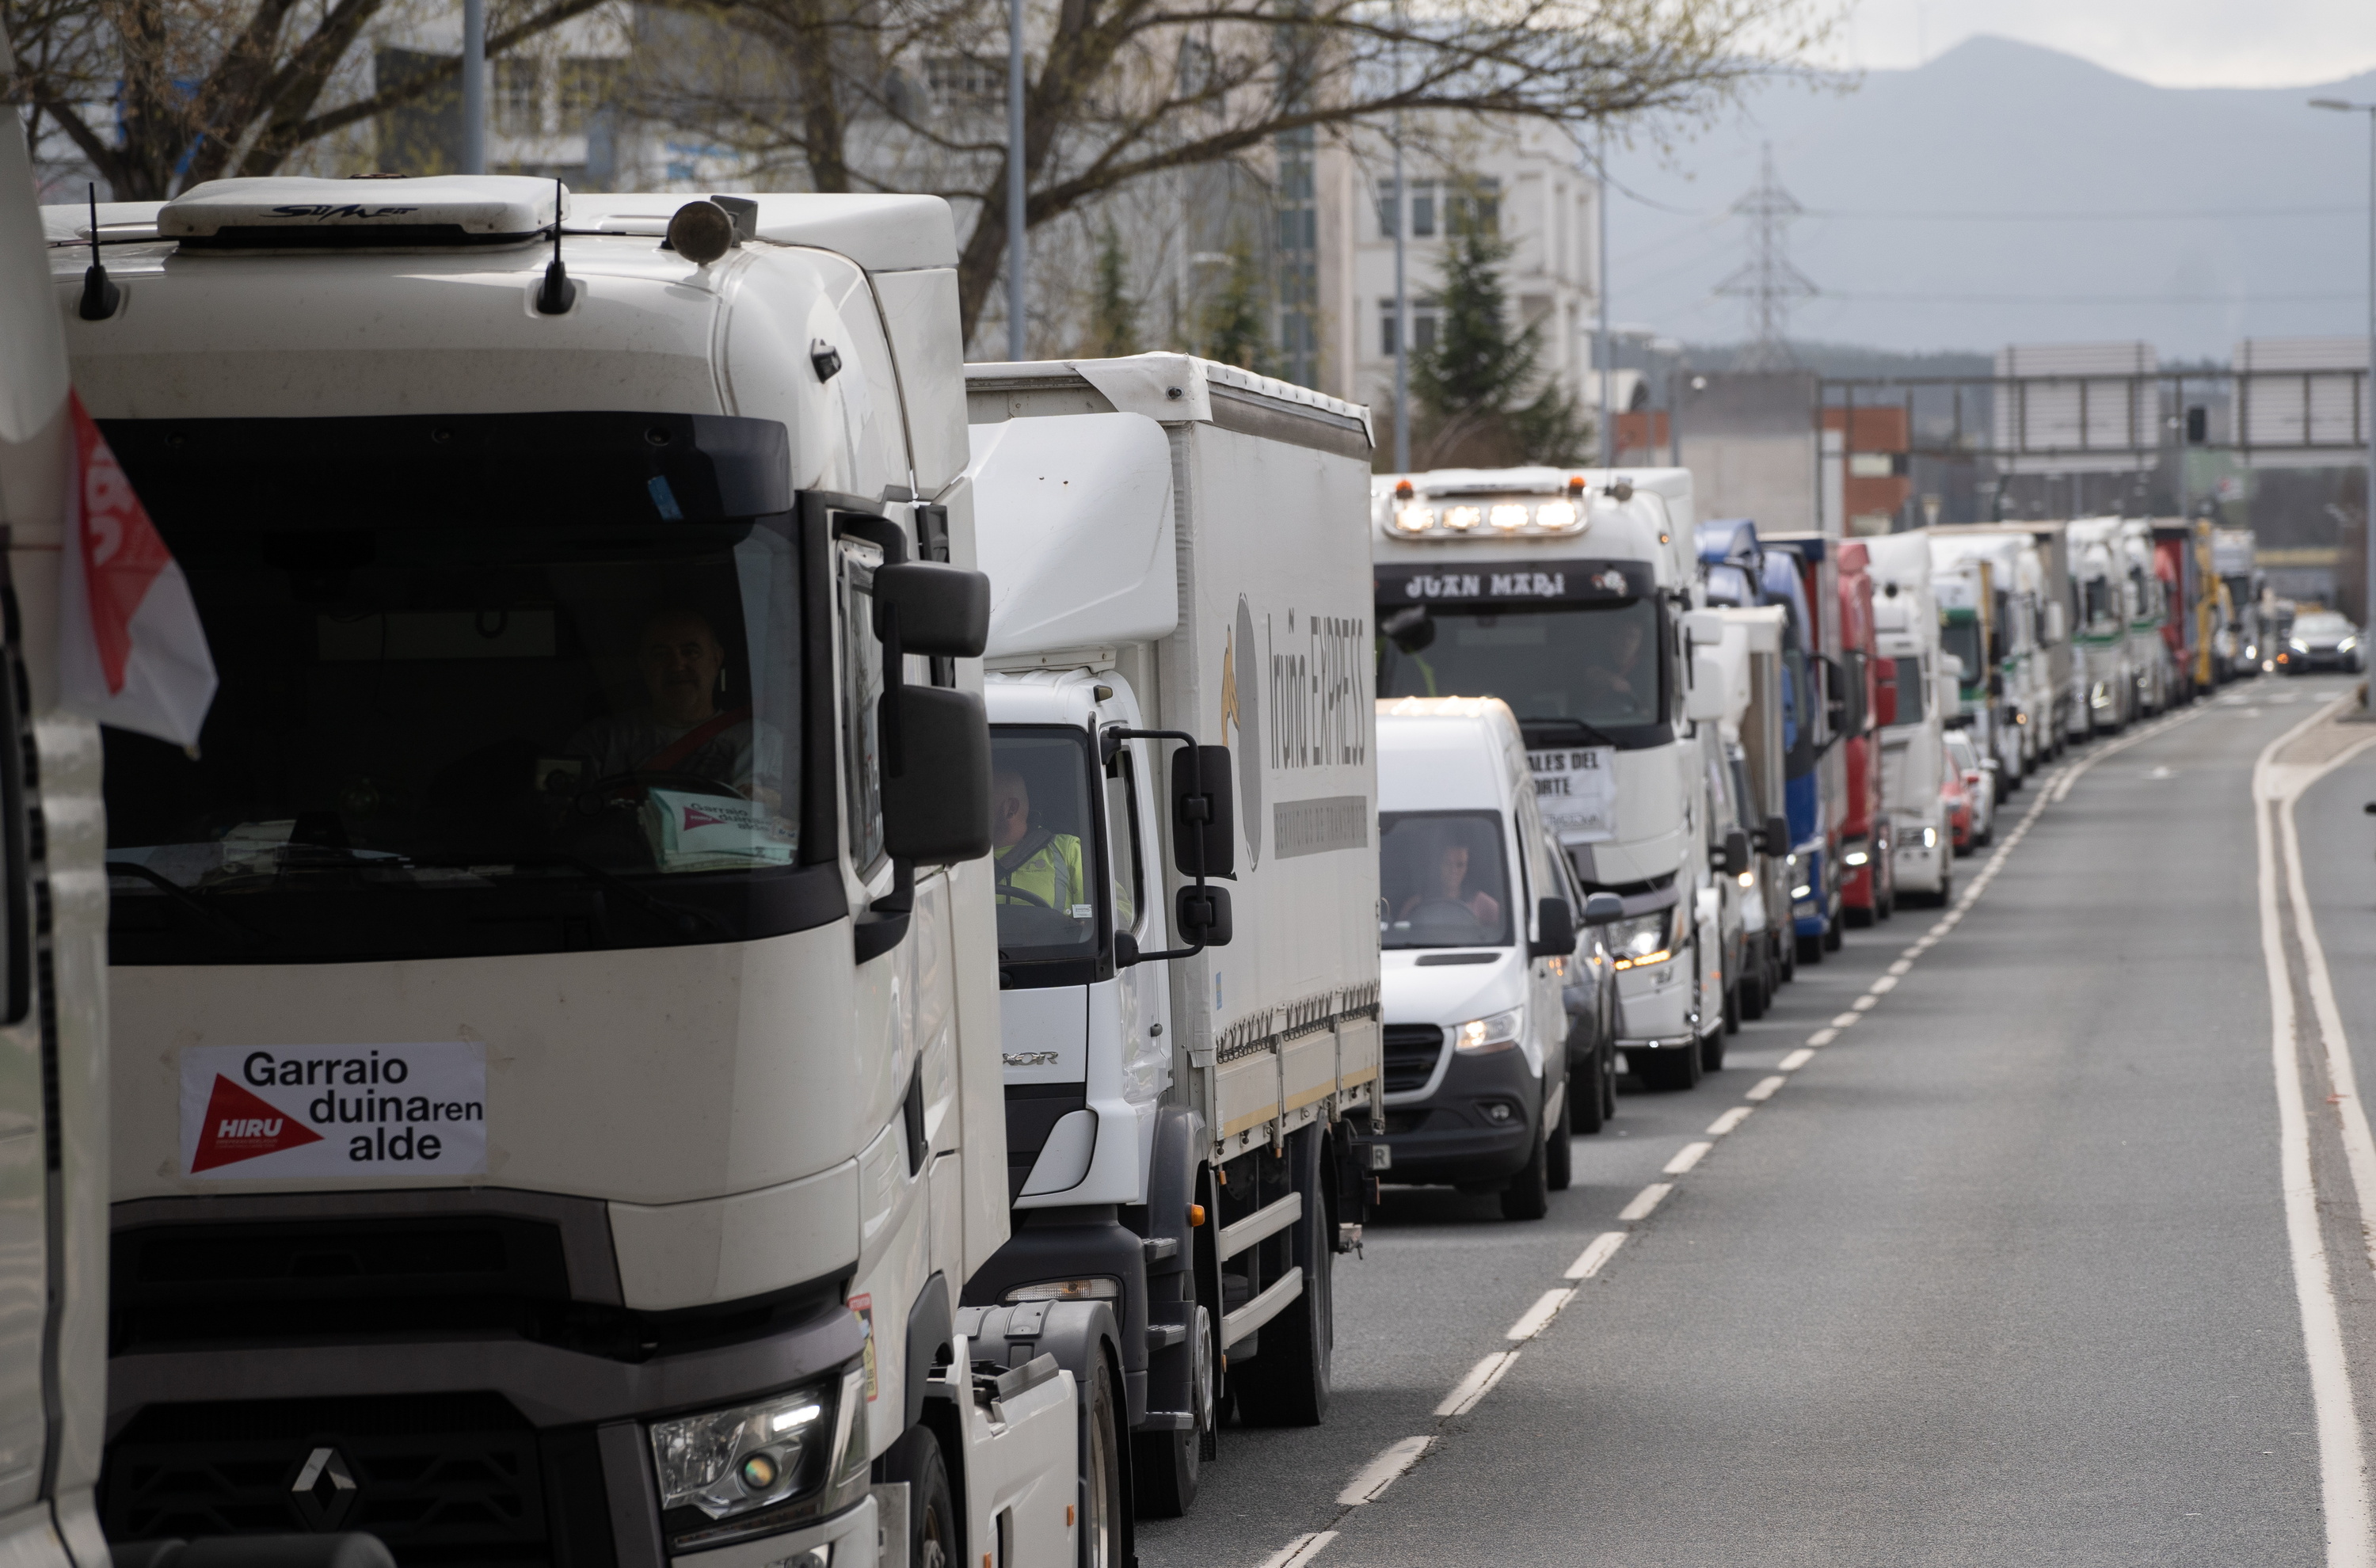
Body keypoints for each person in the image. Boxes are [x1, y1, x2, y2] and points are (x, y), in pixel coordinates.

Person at [564, 607, 782, 805]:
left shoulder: (763, 742)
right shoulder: (600, 741)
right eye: (661, 654)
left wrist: (773, 801)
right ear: (643, 664)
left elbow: (797, 817)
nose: (677, 665)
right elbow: (564, 814)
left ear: (716, 659)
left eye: (690, 651)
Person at [991, 767, 1086, 914]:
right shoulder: (956, 860)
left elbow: (1116, 909)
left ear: (1011, 809)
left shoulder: (1068, 851)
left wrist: (1084, 922)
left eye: (978, 803)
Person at [1398, 839, 1500, 930]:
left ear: (1467, 868)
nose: (1453, 870)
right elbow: (1401, 937)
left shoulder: (1483, 905)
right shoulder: (1416, 905)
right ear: (1437, 865)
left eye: (1460, 865)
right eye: (1447, 863)